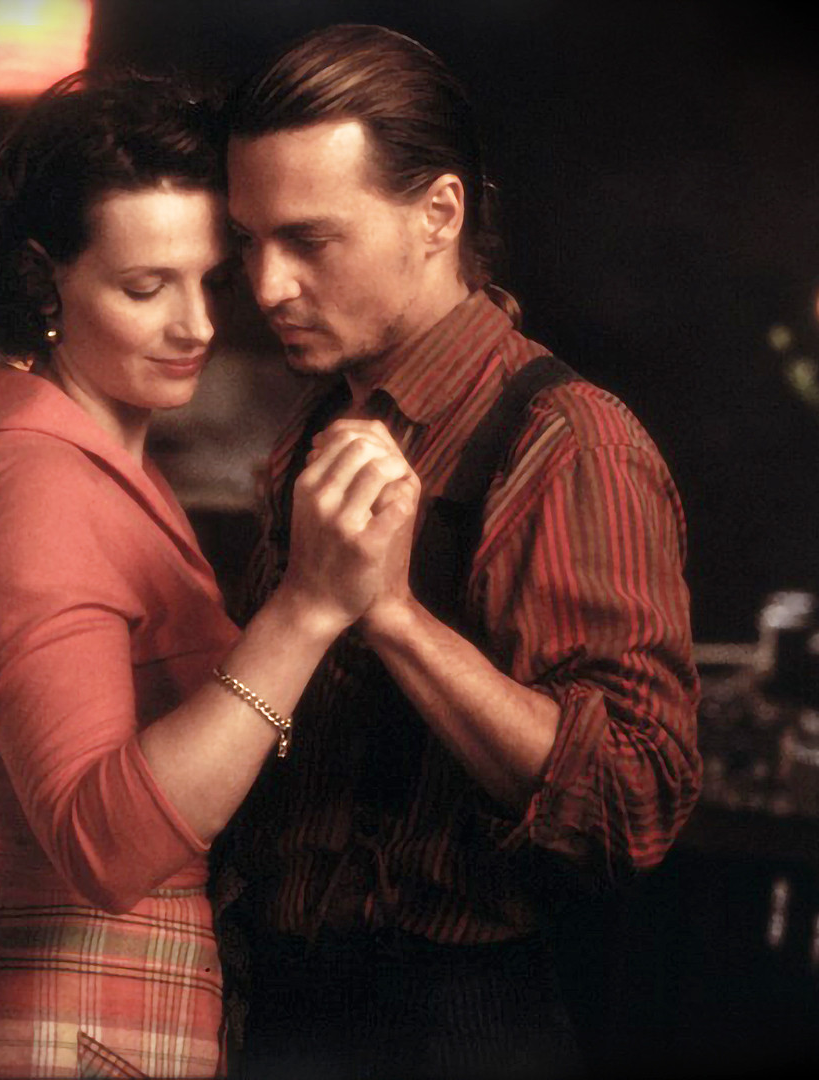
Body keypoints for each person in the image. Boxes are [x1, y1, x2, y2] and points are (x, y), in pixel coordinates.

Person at [0, 71, 421, 1078]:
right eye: (147, 288)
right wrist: (308, 609)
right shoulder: (36, 488)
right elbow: (104, 847)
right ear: (44, 282)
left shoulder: (95, 467)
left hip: (101, 1014)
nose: (198, 326)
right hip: (65, 1021)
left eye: (207, 281)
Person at [211, 25, 703, 1077]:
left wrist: (391, 617)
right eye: (248, 241)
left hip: (458, 1021)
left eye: (309, 240)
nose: (267, 285)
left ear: (439, 213)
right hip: (286, 1005)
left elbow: (637, 801)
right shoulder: (313, 432)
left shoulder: (570, 441)